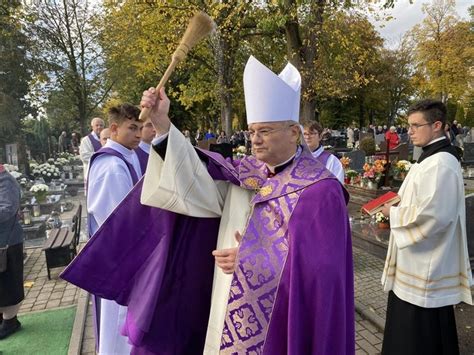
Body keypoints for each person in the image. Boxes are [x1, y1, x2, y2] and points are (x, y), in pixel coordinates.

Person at [62, 56, 354, 354]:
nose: (255, 140)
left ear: (295, 133)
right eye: (252, 131)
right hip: (228, 309)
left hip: (282, 327)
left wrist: (255, 260)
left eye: (264, 131)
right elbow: (194, 183)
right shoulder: (248, 174)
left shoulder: (320, 190)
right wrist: (163, 126)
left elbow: (325, 275)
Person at [380, 99, 473, 355]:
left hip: (425, 270)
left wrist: (394, 213)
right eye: (408, 125)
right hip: (415, 264)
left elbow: (434, 217)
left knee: (419, 339)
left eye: (415, 125)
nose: (409, 131)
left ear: (437, 125)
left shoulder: (441, 163)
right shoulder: (429, 159)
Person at [86, 104, 142, 354]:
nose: (139, 134)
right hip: (120, 259)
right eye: (133, 128)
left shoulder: (126, 155)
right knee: (119, 323)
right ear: (115, 128)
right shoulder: (111, 167)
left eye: (141, 128)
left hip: (124, 255)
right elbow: (120, 221)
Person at [0, 164, 24, 339]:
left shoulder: (6, 181)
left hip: (8, 242)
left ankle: (10, 321)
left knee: (9, 282)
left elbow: (8, 209)